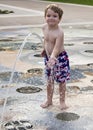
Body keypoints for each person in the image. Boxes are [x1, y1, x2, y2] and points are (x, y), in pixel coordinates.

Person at [40, 4, 70, 110]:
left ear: (59, 19)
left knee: (61, 81)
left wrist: (53, 57)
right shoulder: (44, 27)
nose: (51, 18)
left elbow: (57, 48)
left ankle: (62, 101)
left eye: (55, 16)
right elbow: (46, 40)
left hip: (60, 58)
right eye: (48, 15)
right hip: (49, 57)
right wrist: (44, 49)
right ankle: (49, 100)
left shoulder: (59, 32)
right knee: (49, 80)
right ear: (45, 17)